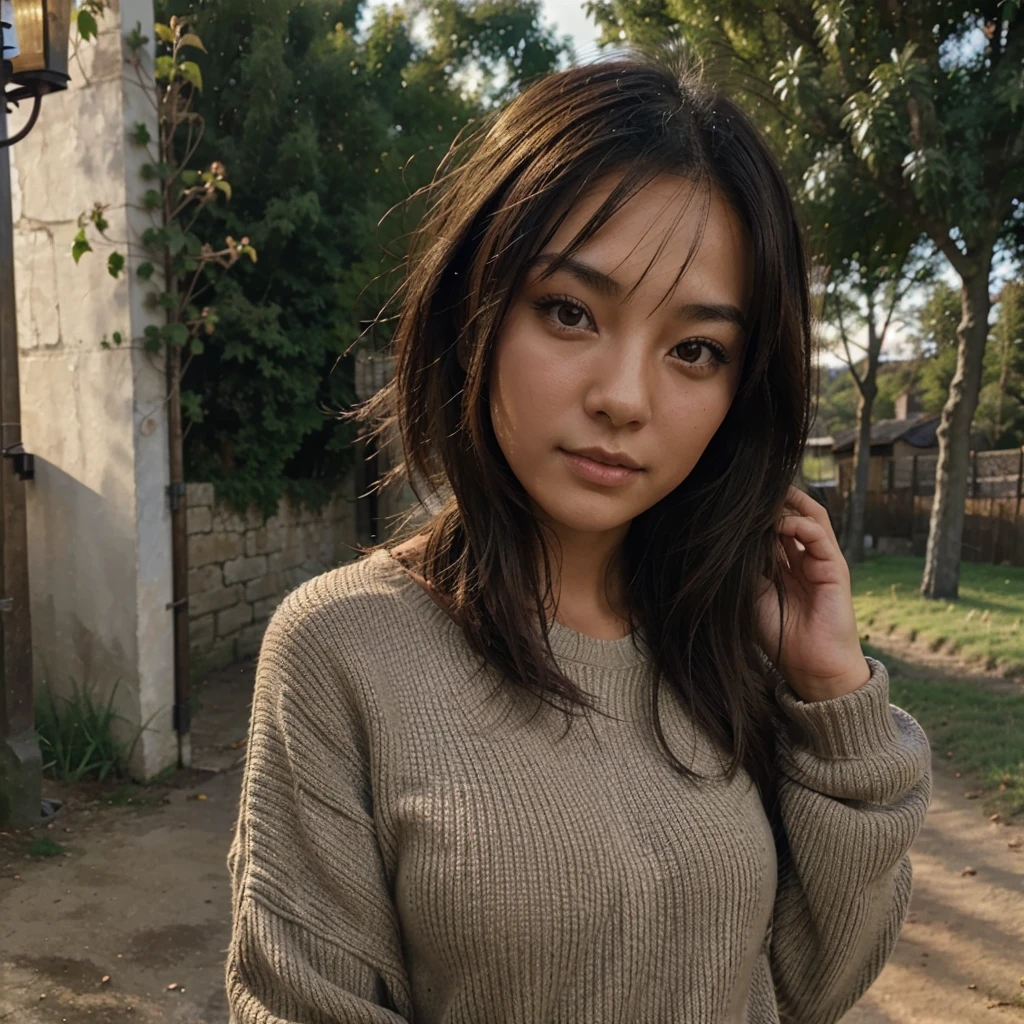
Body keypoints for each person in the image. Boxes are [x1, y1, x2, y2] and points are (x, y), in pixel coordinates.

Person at [225, 53, 931, 1024]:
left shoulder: (732, 640)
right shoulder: (342, 650)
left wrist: (830, 693)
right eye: (568, 311)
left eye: (695, 349)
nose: (623, 398)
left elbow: (812, 984)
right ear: (476, 308)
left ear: (739, 392)